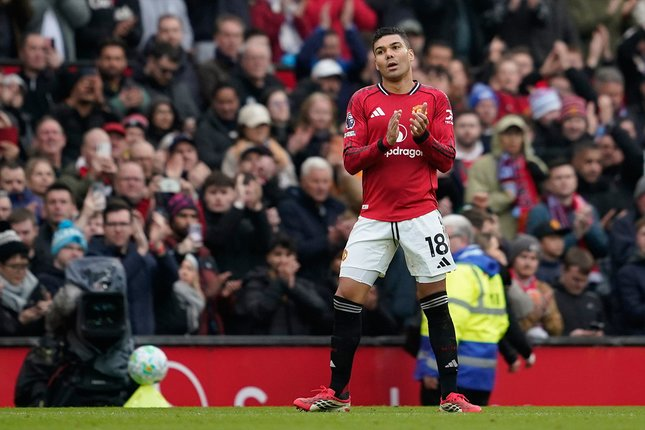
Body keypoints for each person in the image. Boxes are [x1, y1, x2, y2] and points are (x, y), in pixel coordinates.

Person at [293, 27, 480, 413]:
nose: (389, 55)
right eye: (381, 51)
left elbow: (447, 160)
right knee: (347, 295)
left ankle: (450, 395)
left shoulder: (434, 99)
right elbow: (350, 161)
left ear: (411, 55)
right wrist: (382, 143)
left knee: (434, 299)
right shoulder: (362, 100)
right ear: (375, 61)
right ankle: (339, 394)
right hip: (374, 215)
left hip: (421, 214)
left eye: (396, 48)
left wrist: (424, 138)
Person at [415, 215, 508, 407]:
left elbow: (448, 324)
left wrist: (432, 368)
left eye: (444, 237)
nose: (439, 243)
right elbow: (502, 322)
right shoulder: (488, 269)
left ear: (463, 238)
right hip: (482, 371)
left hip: (453, 372)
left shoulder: (459, 271)